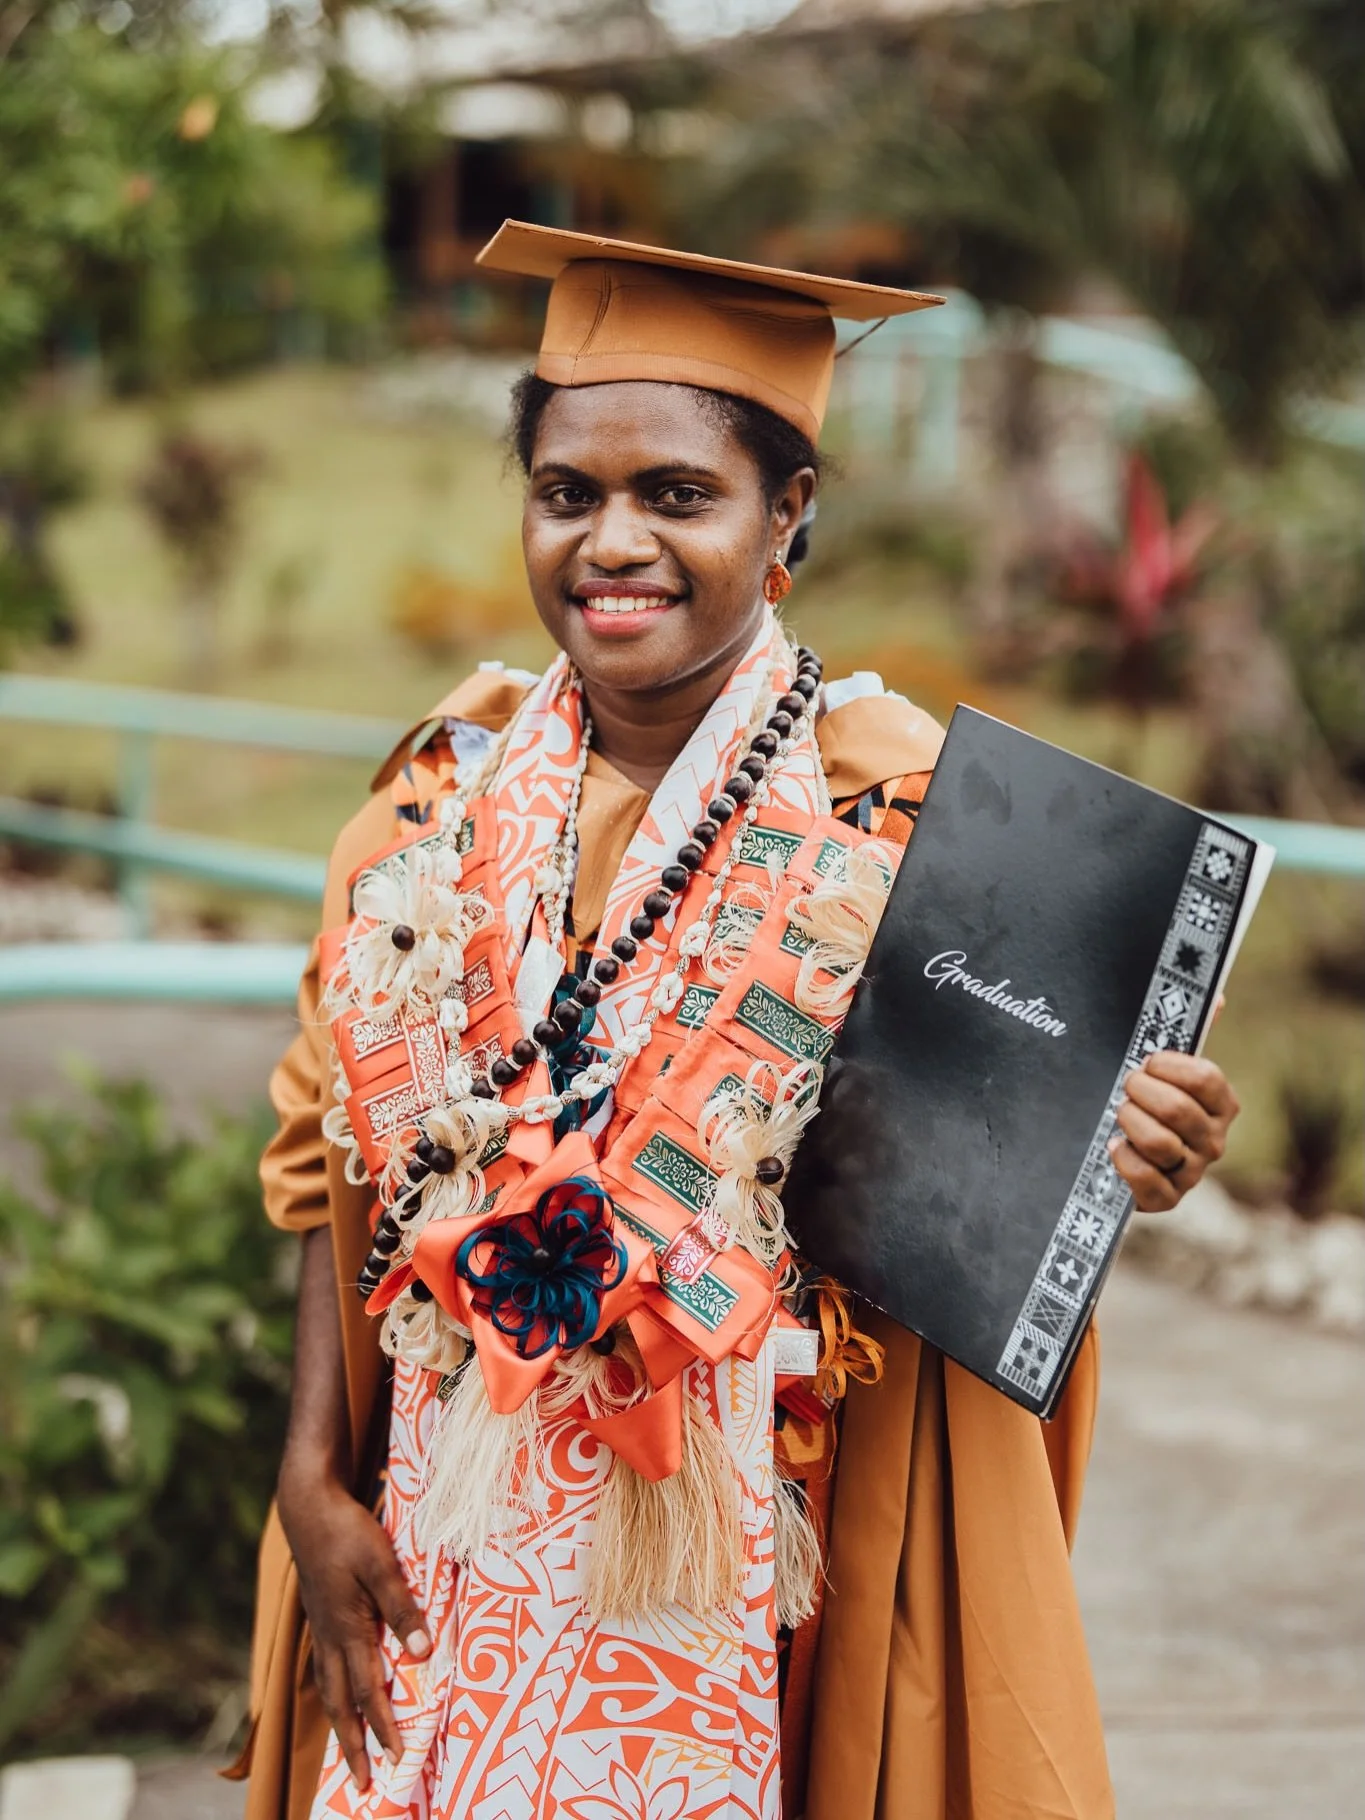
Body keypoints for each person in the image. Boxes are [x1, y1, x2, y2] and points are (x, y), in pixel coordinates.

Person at [232, 223, 1241, 1820]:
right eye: (568, 492)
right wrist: (308, 1475)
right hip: (447, 1530)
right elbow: (327, 1173)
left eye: (678, 495)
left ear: (789, 519)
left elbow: (1001, 1199)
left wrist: (1122, 1152)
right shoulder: (429, 814)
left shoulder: (918, 842)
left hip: (756, 1559)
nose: (611, 541)